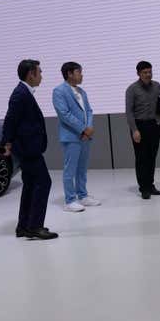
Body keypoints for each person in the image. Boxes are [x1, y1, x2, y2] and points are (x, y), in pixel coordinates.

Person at [1, 60, 58, 240]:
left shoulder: (24, 92)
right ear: (30, 74)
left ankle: (24, 226)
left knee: (31, 185)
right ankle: (35, 226)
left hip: (28, 148)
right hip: (28, 149)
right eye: (39, 72)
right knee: (43, 182)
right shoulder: (20, 94)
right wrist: (7, 142)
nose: (41, 75)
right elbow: (10, 119)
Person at [52, 62, 101, 212]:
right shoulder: (59, 91)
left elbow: (89, 111)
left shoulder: (82, 91)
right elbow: (64, 114)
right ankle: (70, 200)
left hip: (85, 136)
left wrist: (90, 127)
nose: (82, 75)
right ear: (69, 74)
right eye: (79, 72)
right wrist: (83, 129)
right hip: (72, 136)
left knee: (82, 168)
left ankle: (83, 195)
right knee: (70, 169)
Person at [126, 61, 160, 199]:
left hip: (154, 125)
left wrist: (159, 120)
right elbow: (129, 112)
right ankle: (144, 188)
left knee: (152, 156)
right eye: (145, 72)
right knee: (141, 157)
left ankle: (151, 184)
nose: (148, 74)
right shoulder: (132, 89)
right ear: (138, 74)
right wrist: (134, 130)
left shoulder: (157, 86)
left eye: (150, 71)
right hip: (139, 126)